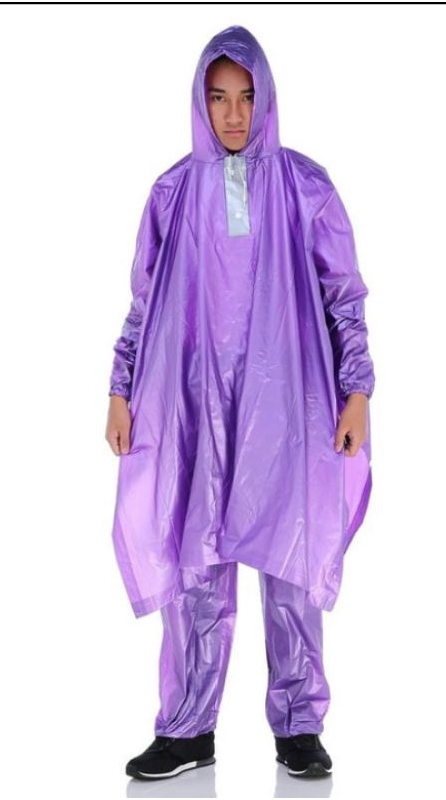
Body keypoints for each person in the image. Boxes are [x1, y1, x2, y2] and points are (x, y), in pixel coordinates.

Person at [105, 25, 375, 781]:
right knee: (197, 561)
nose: (233, 114)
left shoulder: (305, 188)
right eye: (218, 97)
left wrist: (357, 390)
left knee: (290, 559)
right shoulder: (172, 194)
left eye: (246, 97)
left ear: (267, 100)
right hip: (193, 404)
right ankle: (188, 728)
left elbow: (343, 297)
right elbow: (144, 303)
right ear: (200, 102)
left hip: (288, 405)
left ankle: (299, 724)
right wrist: (121, 388)